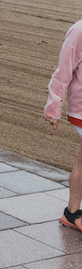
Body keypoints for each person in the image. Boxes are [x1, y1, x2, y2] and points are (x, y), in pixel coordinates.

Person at [44, 19, 82, 232]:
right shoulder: (79, 31)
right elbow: (63, 71)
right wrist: (53, 107)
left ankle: (72, 212)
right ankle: (72, 213)